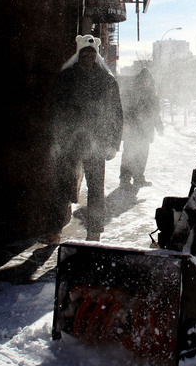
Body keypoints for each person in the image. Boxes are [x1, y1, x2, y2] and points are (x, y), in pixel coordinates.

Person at [48, 35, 123, 242]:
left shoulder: (107, 80)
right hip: (70, 141)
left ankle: (94, 232)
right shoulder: (66, 78)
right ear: (79, 54)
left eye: (92, 53)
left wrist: (114, 144)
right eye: (85, 53)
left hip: (97, 142)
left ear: (96, 55)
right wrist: (55, 139)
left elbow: (116, 113)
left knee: (96, 188)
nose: (88, 56)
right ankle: (55, 230)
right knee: (62, 185)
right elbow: (55, 110)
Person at [119, 68, 163, 187]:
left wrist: (159, 126)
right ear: (139, 80)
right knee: (129, 154)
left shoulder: (153, 95)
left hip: (146, 131)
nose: (146, 82)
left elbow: (155, 113)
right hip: (133, 130)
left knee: (142, 155)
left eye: (148, 80)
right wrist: (126, 125)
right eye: (143, 80)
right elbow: (126, 110)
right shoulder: (132, 93)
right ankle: (125, 179)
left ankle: (138, 178)